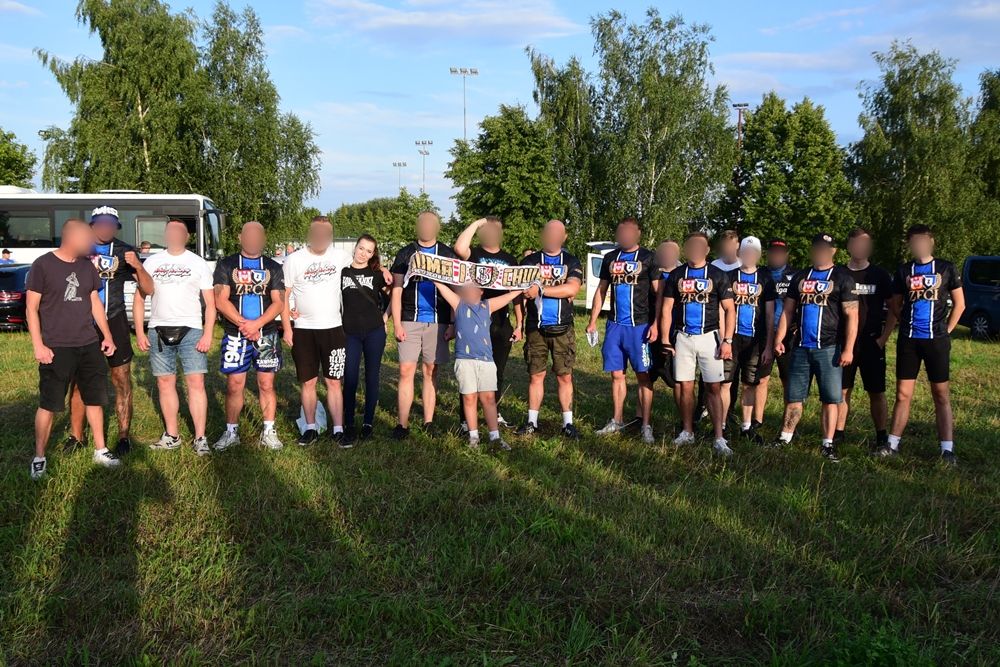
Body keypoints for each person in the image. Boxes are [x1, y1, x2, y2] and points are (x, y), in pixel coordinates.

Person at [26, 219, 120, 479]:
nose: (91, 242)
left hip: (88, 344)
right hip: (56, 346)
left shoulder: (87, 265)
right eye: (87, 238)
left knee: (95, 398)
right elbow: (31, 308)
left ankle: (100, 449)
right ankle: (40, 457)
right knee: (50, 403)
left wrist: (107, 336)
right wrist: (38, 345)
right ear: (72, 237)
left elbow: (94, 301)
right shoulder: (43, 265)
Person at [66, 206, 153, 457]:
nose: (106, 229)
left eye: (111, 225)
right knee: (80, 380)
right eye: (101, 224)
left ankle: (124, 436)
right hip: (82, 322)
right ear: (92, 225)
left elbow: (148, 289)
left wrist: (138, 267)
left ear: (116, 227)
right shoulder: (79, 248)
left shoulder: (125, 251)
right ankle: (77, 436)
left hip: (114, 319)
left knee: (121, 377)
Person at [877, 224, 965, 465]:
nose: (920, 245)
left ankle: (947, 450)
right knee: (903, 394)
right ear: (910, 244)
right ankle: (892, 444)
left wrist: (947, 330)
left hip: (936, 340)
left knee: (941, 394)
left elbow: (960, 304)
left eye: (923, 240)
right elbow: (895, 304)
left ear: (931, 241)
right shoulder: (904, 270)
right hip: (909, 340)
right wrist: (904, 320)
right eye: (915, 241)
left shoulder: (946, 268)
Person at [773, 233, 858, 461]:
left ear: (833, 251)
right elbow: (788, 311)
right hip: (801, 347)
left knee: (830, 399)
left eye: (825, 248)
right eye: (817, 248)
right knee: (794, 396)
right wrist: (779, 338)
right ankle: (785, 437)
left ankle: (827, 444)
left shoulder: (843, 278)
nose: (821, 252)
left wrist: (848, 349)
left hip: (829, 348)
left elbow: (852, 315)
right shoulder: (800, 277)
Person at [134, 220, 217, 455]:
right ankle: (172, 435)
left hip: (191, 330)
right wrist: (140, 331)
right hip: (158, 329)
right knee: (165, 383)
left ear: (187, 236)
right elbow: (139, 298)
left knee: (196, 383)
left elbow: (211, 304)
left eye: (179, 232)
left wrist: (208, 333)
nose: (174, 235)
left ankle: (200, 438)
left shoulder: (198, 263)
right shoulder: (151, 262)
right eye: (170, 231)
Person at [660, 231, 736, 455]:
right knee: (685, 386)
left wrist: (727, 340)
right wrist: (665, 339)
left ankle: (719, 437)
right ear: (686, 249)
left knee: (713, 388)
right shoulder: (677, 275)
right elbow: (666, 308)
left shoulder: (718, 275)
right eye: (691, 246)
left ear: (707, 250)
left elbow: (730, 309)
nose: (695, 250)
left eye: (700, 246)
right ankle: (687, 431)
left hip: (709, 337)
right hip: (683, 337)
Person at [213, 221, 285, 451]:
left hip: (267, 335)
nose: (253, 239)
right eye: (248, 235)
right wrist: (245, 325)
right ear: (240, 237)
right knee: (235, 384)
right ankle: (231, 431)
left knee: (266, 383)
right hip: (236, 334)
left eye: (257, 235)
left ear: (263, 239)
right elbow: (220, 300)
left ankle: (268, 431)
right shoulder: (226, 265)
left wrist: (258, 325)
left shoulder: (273, 267)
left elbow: (279, 302)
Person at [587, 218, 661, 443]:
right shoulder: (610, 257)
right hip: (615, 325)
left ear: (638, 234)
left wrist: (656, 323)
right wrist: (592, 321)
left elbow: (659, 294)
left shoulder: (649, 257)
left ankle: (645, 425)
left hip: (640, 327)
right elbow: (601, 290)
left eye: (629, 232)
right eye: (621, 232)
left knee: (643, 376)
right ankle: (617, 420)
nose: (625, 235)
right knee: (616, 374)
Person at [281, 216, 353, 447]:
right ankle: (310, 428)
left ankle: (338, 430)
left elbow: (365, 263)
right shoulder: (294, 260)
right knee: (308, 382)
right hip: (303, 330)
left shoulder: (341, 257)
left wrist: (382, 269)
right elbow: (284, 296)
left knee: (334, 382)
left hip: (334, 329)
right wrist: (287, 328)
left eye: (326, 233)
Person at [389, 211, 457, 438]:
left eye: (431, 224)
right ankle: (402, 424)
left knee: (431, 370)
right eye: (423, 223)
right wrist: (397, 323)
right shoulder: (405, 253)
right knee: (406, 370)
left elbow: (455, 290)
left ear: (437, 227)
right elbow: (396, 290)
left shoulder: (447, 254)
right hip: (409, 318)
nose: (426, 227)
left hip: (439, 321)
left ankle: (428, 421)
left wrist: (453, 323)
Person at [433, 281, 522, 450]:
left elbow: (509, 296)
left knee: (489, 399)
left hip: (486, 361)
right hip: (464, 360)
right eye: (466, 287)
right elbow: (442, 287)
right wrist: (431, 275)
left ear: (482, 291)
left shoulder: (487, 305)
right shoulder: (458, 304)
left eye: (474, 287)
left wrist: (524, 286)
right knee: (469, 397)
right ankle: (473, 436)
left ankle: (495, 437)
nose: (470, 290)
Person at [453, 216, 523, 427]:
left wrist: (520, 324)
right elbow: (459, 247)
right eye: (487, 229)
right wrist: (477, 223)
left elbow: (516, 294)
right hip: (474, 323)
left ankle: (495, 412)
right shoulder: (473, 254)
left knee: (497, 371)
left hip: (501, 323)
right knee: (470, 372)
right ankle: (466, 419)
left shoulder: (510, 259)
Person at [517, 220, 584, 439]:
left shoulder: (571, 260)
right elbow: (521, 293)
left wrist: (540, 289)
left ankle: (568, 424)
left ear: (564, 237)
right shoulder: (529, 261)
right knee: (536, 375)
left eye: (557, 233)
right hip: (535, 328)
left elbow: (572, 288)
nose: (552, 236)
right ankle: (532, 422)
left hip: (563, 328)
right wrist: (519, 323)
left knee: (564, 376)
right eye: (549, 232)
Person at [836, 227, 893, 450]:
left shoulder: (880, 275)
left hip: (872, 342)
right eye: (857, 243)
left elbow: (894, 309)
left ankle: (881, 436)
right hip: (844, 343)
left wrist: (883, 338)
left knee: (876, 392)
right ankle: (838, 434)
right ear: (849, 246)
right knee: (842, 390)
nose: (861, 247)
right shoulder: (839, 273)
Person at [722, 236, 776, 444]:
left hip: (755, 339)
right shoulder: (729, 276)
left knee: (749, 384)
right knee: (725, 383)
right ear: (740, 253)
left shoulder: (766, 279)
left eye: (753, 252)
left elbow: (770, 315)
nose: (749, 255)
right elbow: (722, 310)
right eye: (745, 251)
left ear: (759, 255)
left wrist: (768, 345)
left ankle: (746, 426)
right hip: (732, 338)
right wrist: (724, 339)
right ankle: (722, 425)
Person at [341, 234, 392, 444]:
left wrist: (386, 317)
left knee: (372, 376)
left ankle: (368, 423)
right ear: (355, 247)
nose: (363, 253)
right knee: (350, 377)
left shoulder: (377, 274)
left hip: (374, 331)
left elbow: (395, 293)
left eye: (369, 251)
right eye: (361, 248)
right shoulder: (343, 271)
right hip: (349, 332)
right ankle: (349, 423)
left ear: (373, 255)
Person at [756, 239, 798, 421]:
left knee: (787, 380)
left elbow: (804, 302)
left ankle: (788, 423)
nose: (777, 255)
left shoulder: (796, 275)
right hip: (763, 333)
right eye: (773, 252)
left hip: (788, 335)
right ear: (767, 253)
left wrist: (799, 325)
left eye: (781, 252)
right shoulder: (760, 273)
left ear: (786, 254)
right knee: (761, 379)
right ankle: (757, 421)